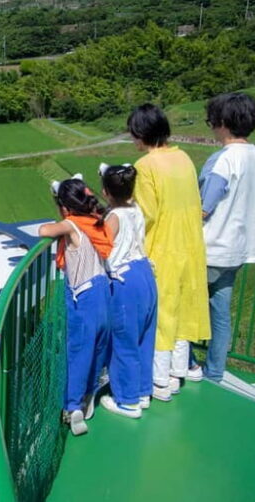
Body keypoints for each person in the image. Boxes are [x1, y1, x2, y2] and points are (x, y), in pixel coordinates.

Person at [129, 104, 210, 402]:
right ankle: (178, 371)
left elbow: (145, 214)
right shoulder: (183, 157)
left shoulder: (146, 166)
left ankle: (160, 381)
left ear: (140, 133)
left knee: (161, 317)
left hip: (162, 248)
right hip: (190, 246)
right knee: (183, 312)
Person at [192, 93, 255, 382]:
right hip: (239, 249)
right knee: (220, 311)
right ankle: (214, 371)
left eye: (211, 121)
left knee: (181, 304)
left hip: (211, 247)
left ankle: (184, 364)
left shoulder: (224, 159)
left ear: (223, 122)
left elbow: (204, 208)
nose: (211, 127)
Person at [38, 176, 112, 435]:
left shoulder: (71, 225)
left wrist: (60, 214)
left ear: (66, 207)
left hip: (85, 296)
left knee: (79, 351)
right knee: (98, 348)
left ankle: (73, 406)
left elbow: (44, 231)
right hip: (104, 292)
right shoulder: (96, 222)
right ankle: (90, 394)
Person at [97, 163, 158, 417]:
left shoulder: (114, 218)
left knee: (124, 341)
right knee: (144, 336)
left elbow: (103, 249)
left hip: (125, 281)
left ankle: (127, 400)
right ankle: (142, 391)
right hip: (145, 272)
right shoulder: (135, 209)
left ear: (106, 192)